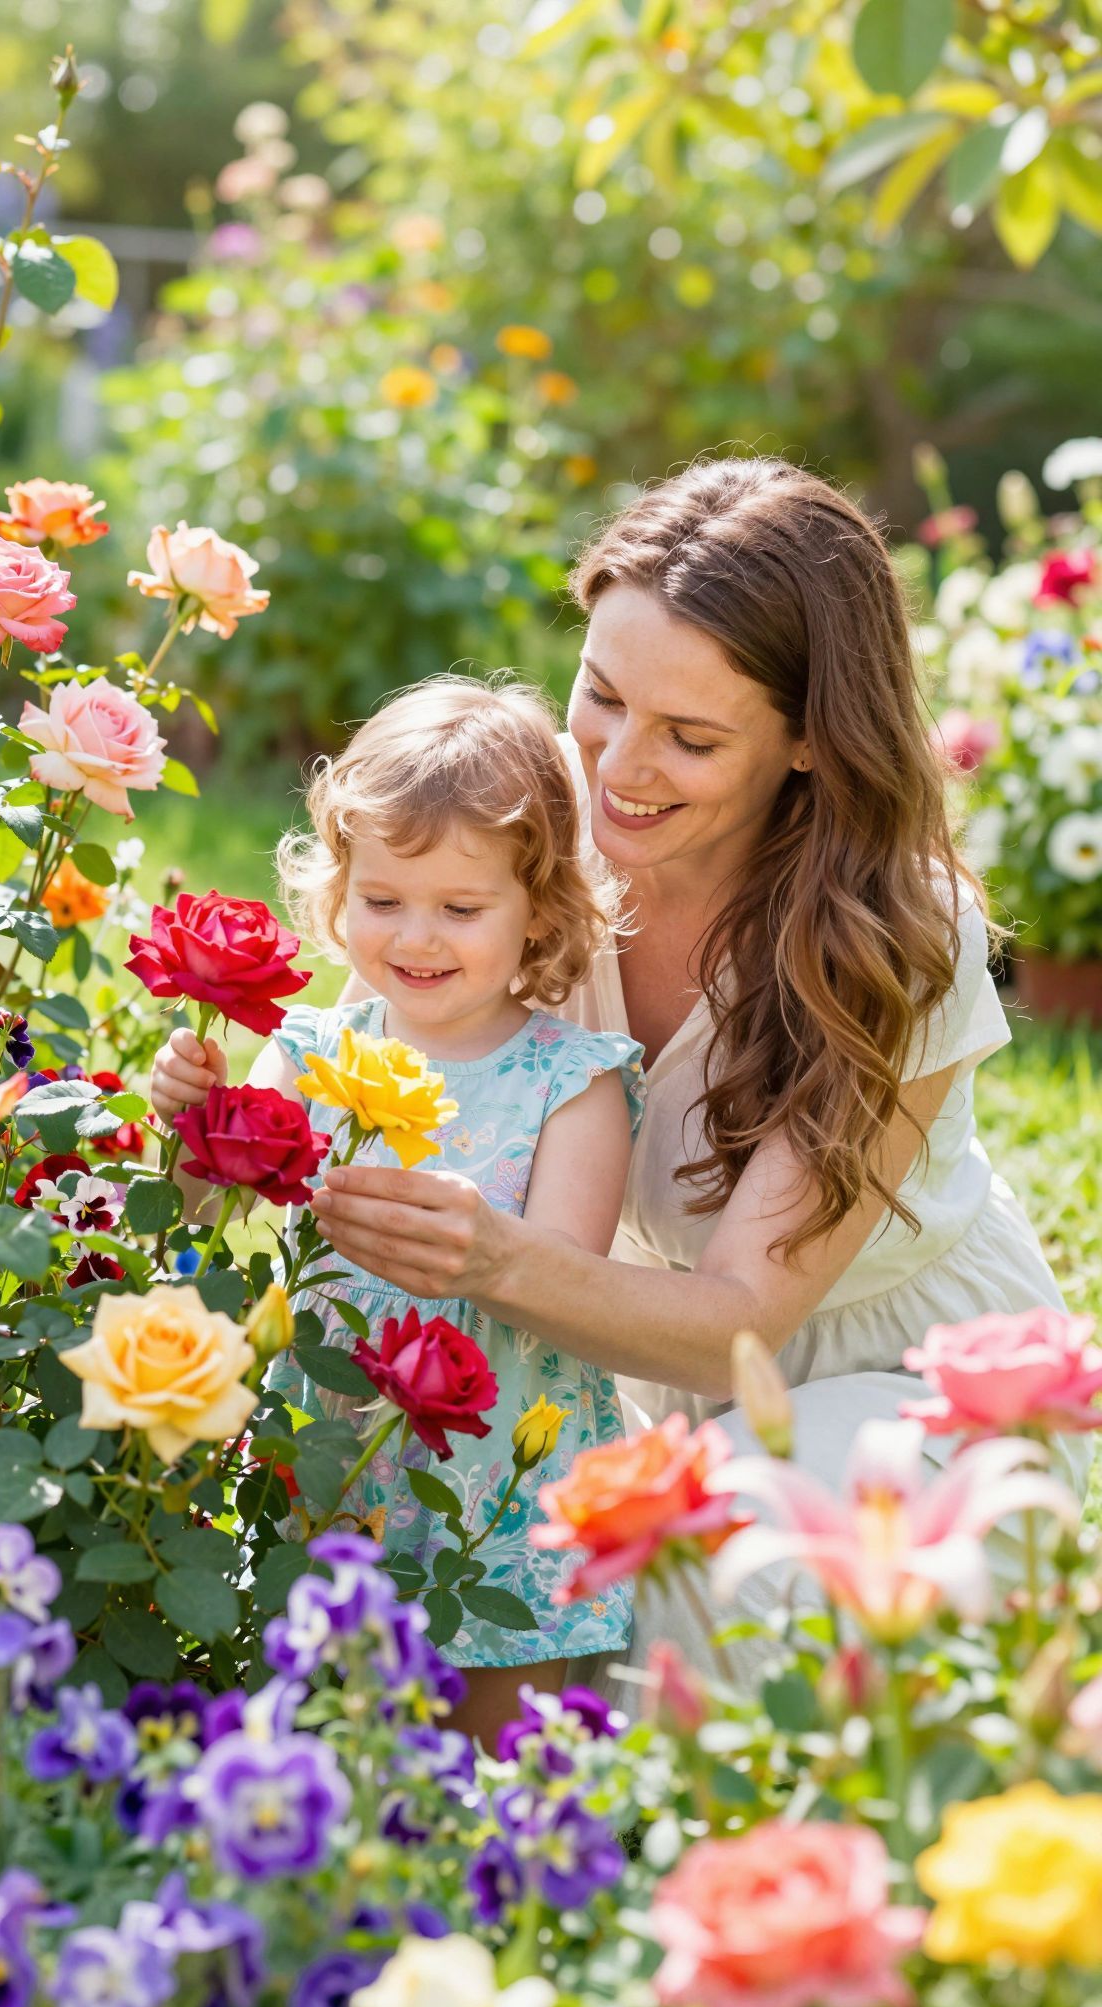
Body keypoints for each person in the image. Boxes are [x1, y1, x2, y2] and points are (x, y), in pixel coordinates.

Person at [308, 456, 1077, 1685]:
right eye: (602, 694)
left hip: (908, 1385)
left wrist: (492, 1258)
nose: (619, 765)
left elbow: (740, 1325)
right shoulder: (533, 827)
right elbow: (359, 1076)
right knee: (474, 1589)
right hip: (647, 1368)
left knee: (694, 1601)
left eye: (692, 736)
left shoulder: (897, 937)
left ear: (811, 741)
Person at [150, 679, 645, 1745]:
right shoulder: (311, 1051)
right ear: (339, 889)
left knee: (493, 1754)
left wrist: (479, 1247)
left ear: (539, 911)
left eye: (461, 910)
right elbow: (197, 1203)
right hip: (330, 1453)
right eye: (382, 901)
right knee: (319, 1725)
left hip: (497, 1478)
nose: (417, 938)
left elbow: (566, 1281)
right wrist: (187, 1122)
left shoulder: (573, 1082)